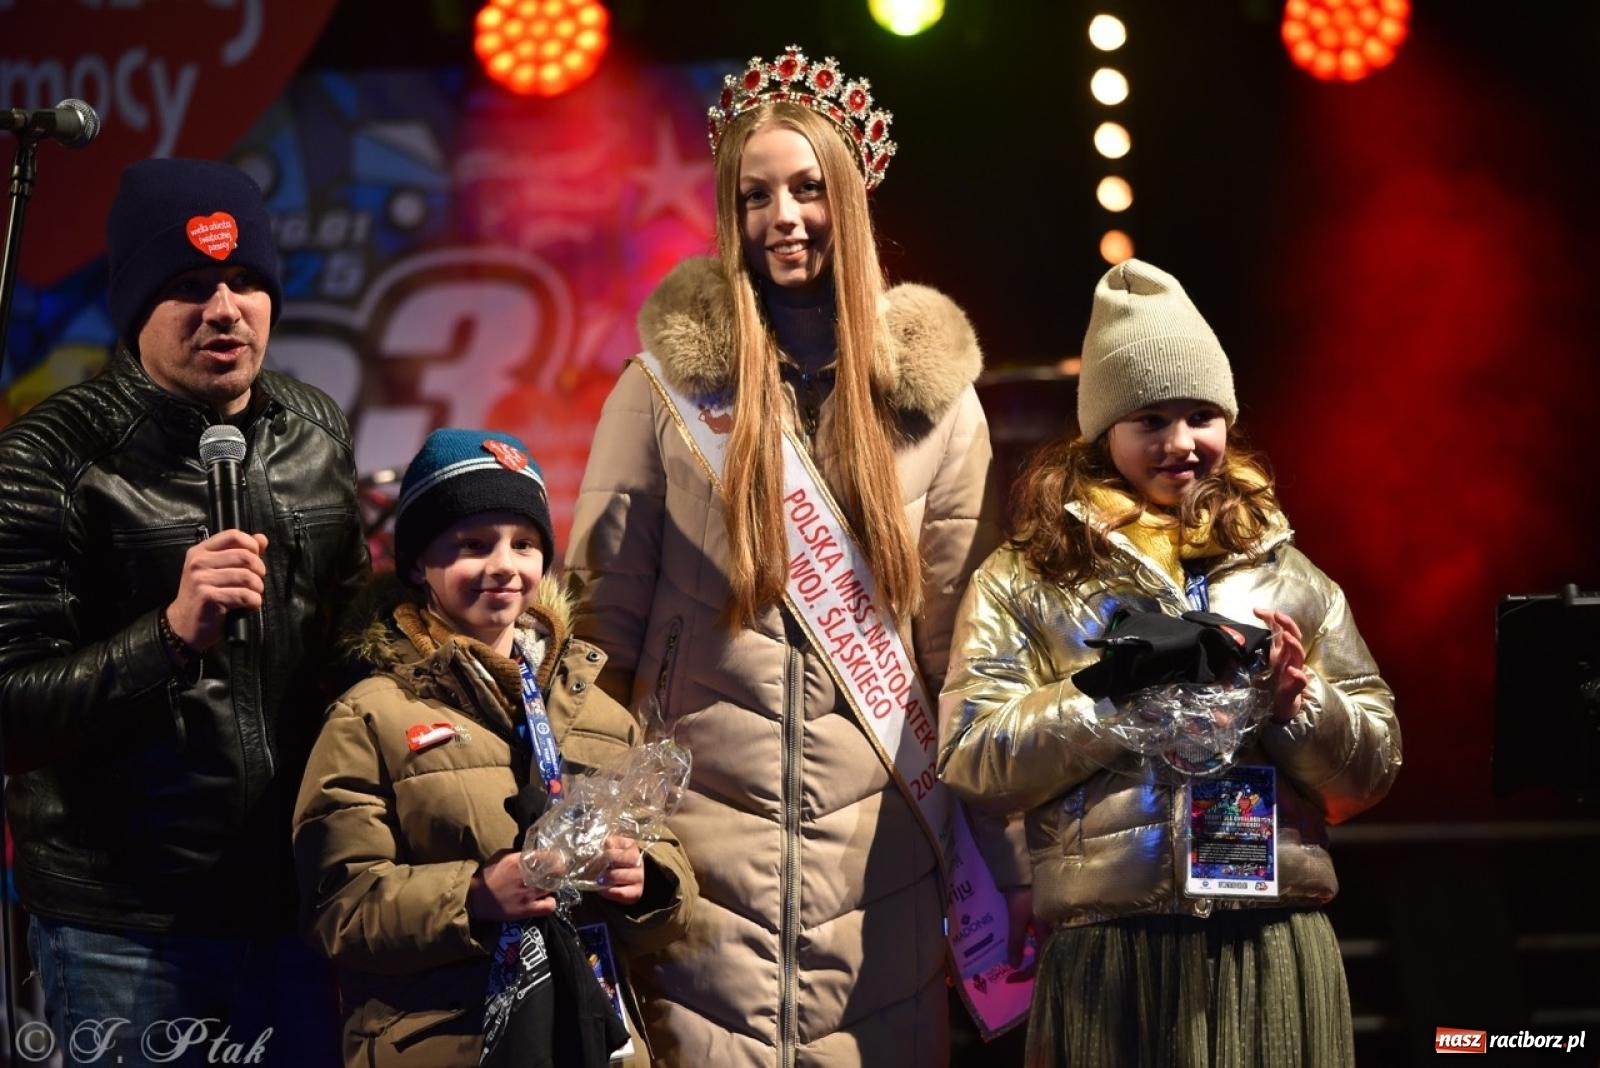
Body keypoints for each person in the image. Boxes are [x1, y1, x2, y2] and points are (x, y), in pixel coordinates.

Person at [564, 45, 1014, 1066]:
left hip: (881, 864)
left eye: (809, 190)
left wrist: (1005, 864)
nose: (784, 218)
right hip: (694, 854)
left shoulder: (938, 408)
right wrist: (594, 828)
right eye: (755, 195)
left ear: (847, 202)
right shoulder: (663, 396)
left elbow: (962, 659)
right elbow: (595, 640)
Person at [938, 258, 1402, 1067]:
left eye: (1200, 415)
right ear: (1103, 431)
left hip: (1272, 945)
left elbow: (1371, 771)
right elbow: (974, 759)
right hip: (1109, 955)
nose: (1181, 444)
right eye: (1150, 419)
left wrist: (1301, 705)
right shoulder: (1026, 576)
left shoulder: (1288, 573)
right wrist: (1115, 703)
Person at [0, 158, 369, 1064]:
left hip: (294, 905)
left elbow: (352, 642)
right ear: (136, 309)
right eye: (189, 286)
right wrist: (167, 639)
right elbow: (11, 711)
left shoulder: (316, 431)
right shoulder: (48, 459)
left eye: (246, 282)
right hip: (123, 926)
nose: (224, 309)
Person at [293, 428, 697, 1067]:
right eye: (472, 545)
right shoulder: (371, 712)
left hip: (591, 1041)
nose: (504, 565)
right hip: (444, 1045)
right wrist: (475, 897)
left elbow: (671, 885)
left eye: (525, 544)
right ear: (420, 564)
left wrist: (646, 882)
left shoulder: (599, 712)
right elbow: (337, 907)